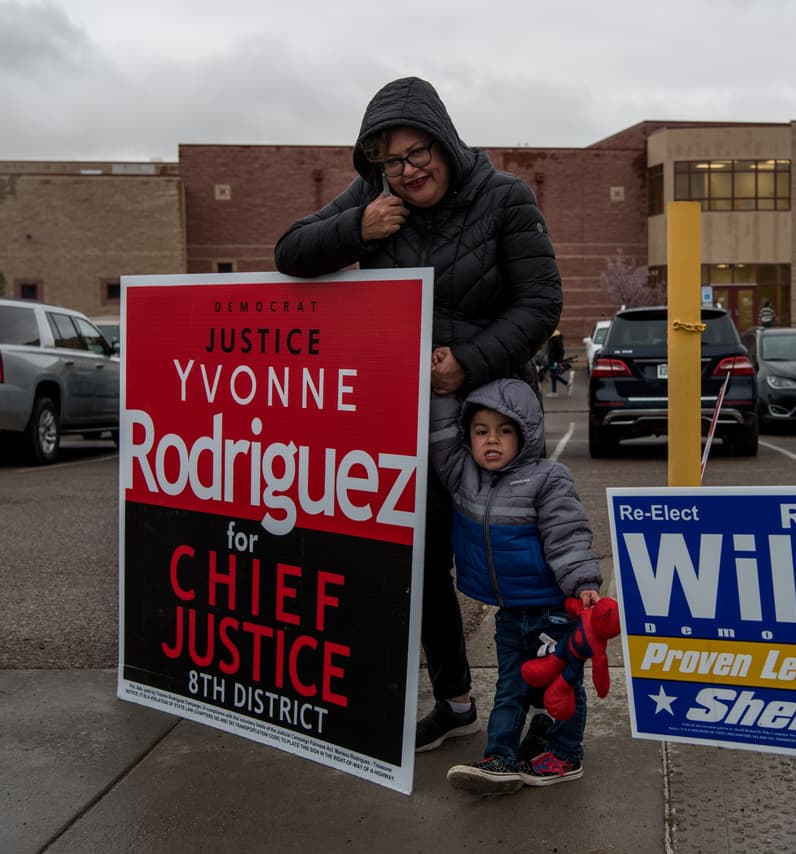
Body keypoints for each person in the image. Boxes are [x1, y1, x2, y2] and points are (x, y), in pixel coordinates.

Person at [274, 77, 563, 752]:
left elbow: (541, 303)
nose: (407, 171)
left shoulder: (505, 198)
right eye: (391, 161)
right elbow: (289, 252)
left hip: (492, 415)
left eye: (417, 153)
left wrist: (468, 362)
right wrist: (357, 228)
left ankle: (546, 705)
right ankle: (456, 701)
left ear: (444, 140)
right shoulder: (374, 198)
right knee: (423, 561)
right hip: (408, 418)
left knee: (519, 560)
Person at [429, 378, 602, 795]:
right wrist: (438, 389)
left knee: (562, 685)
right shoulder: (463, 476)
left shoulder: (548, 478)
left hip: (552, 610)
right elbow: (441, 437)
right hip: (510, 612)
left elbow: (567, 534)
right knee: (510, 687)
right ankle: (500, 759)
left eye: (504, 430)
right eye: (481, 431)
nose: (492, 440)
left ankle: (565, 755)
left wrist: (583, 581)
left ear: (525, 434)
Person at [545, 328, 567, 397]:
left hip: (554, 361)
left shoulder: (556, 339)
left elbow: (560, 351)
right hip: (552, 361)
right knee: (553, 375)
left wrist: (559, 361)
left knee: (553, 375)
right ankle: (554, 391)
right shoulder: (553, 339)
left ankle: (566, 383)